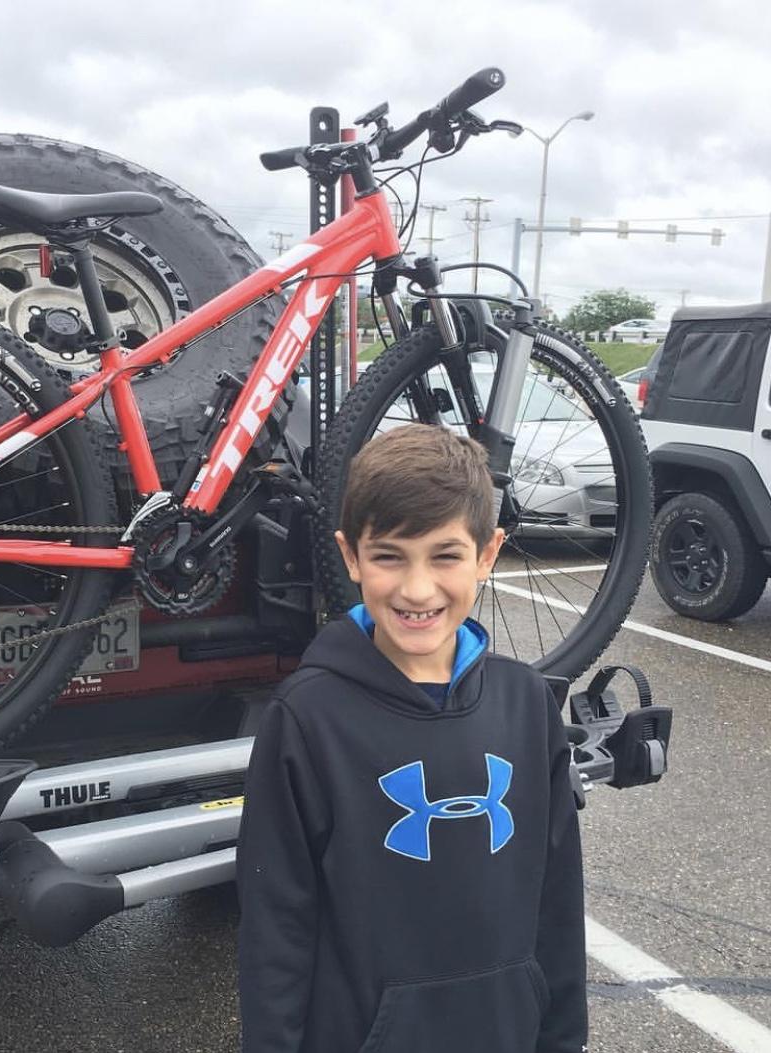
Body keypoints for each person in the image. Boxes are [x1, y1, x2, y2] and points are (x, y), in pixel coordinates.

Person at [237, 423, 587, 1053]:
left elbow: (558, 900)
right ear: (351, 556)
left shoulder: (528, 706)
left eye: (445, 555)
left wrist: (562, 1038)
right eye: (390, 555)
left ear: (488, 553)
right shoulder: (307, 719)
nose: (418, 589)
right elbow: (276, 928)